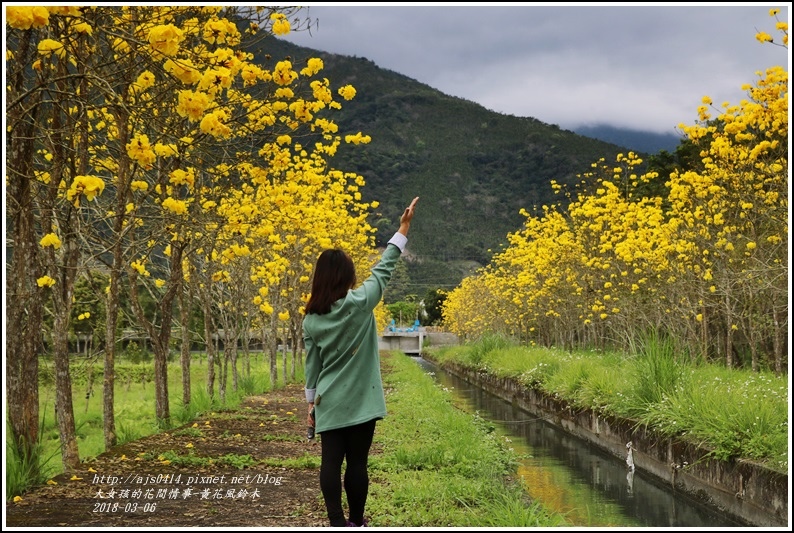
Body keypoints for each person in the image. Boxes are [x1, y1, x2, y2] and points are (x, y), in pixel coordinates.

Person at [303, 197, 419, 527]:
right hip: (362, 401)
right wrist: (402, 229)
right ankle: (356, 522)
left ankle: (336, 523)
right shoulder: (362, 301)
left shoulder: (311, 320)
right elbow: (384, 269)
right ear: (348, 276)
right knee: (357, 464)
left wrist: (311, 405)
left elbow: (312, 368)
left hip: (330, 400)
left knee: (330, 462)